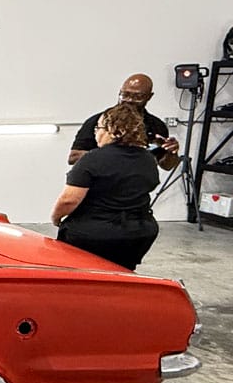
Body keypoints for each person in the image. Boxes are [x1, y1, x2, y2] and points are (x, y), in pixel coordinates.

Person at [52, 103, 160, 270]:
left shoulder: (92, 159)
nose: (96, 133)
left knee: (81, 272)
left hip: (93, 234)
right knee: (122, 271)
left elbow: (69, 200)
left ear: (114, 130)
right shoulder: (147, 158)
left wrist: (56, 217)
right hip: (138, 232)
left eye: (99, 128)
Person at [68, 73, 179, 169]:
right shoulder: (99, 120)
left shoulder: (156, 126)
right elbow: (73, 157)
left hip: (136, 182)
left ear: (149, 97)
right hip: (101, 180)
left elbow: (166, 166)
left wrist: (171, 152)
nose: (129, 100)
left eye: (137, 96)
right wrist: (114, 155)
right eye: (125, 95)